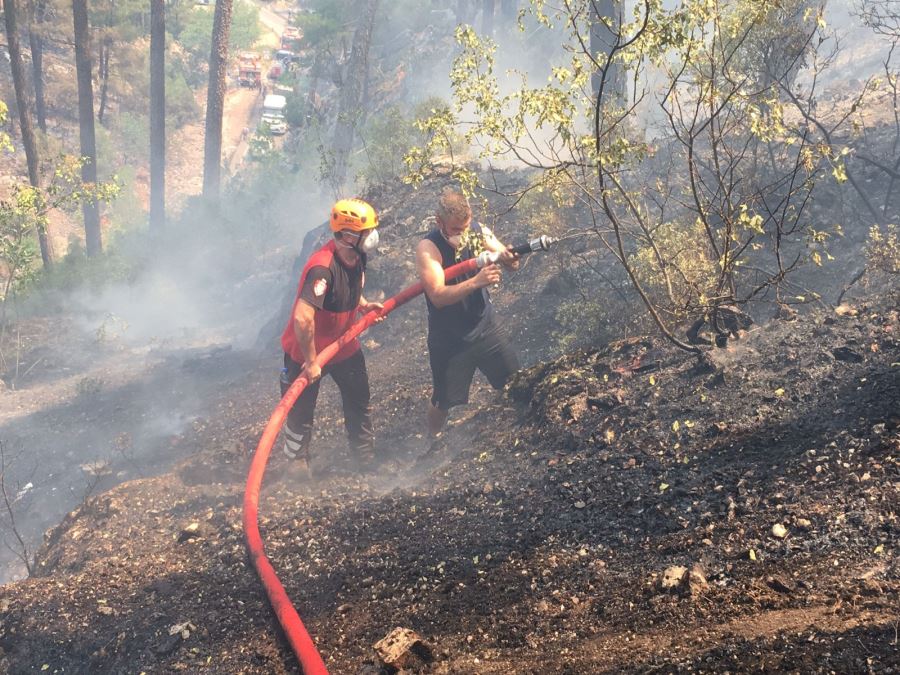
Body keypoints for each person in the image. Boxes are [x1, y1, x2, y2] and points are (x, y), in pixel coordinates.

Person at [280, 198, 384, 472]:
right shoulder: (321, 268)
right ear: (349, 235)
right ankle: (297, 467)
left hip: (344, 345)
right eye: (367, 231)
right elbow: (303, 318)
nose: (373, 236)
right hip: (305, 353)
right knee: (299, 413)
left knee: (359, 400)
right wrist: (312, 361)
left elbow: (348, 287)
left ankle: (365, 461)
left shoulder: (358, 256)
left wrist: (362, 305)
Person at [415, 189, 520, 441]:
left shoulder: (478, 231)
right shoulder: (429, 249)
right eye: (455, 229)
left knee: (515, 381)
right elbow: (438, 297)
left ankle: (518, 423)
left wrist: (509, 258)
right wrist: (476, 282)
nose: (462, 233)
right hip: (449, 340)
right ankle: (434, 439)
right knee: (443, 400)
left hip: (485, 327)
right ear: (439, 222)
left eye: (466, 225)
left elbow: (511, 263)